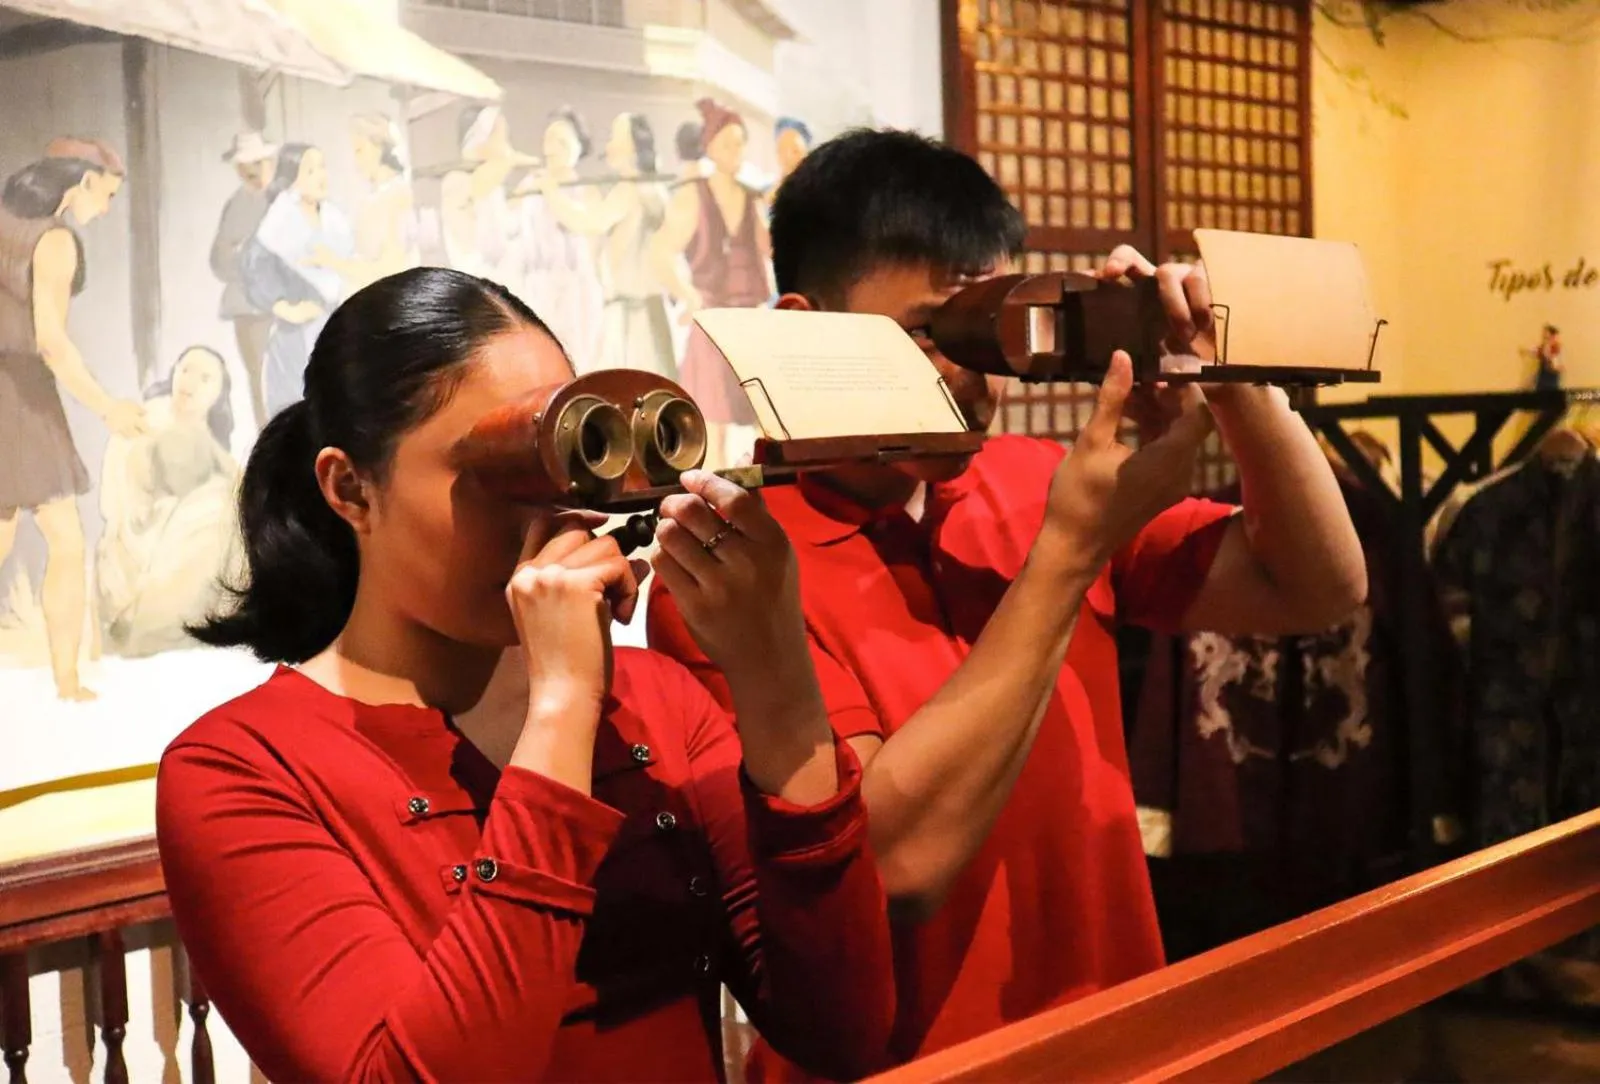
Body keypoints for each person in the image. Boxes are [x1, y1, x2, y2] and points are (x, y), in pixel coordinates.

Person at [646, 129, 1369, 1073]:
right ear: (801, 327)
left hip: (1118, 1042)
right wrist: (1069, 552)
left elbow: (1316, 584)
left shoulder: (1030, 483)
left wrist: (1222, 375)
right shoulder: (736, 565)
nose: (974, 369)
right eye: (931, 331)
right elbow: (891, 865)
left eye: (989, 323)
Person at [155, 267, 895, 1083]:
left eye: (567, 458)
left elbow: (840, 1029)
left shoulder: (655, 703)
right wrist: (564, 706)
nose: (548, 510)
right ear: (350, 488)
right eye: (500, 472)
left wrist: (775, 673)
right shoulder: (241, 771)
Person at [0, 138, 144, 701]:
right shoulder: (55, 240)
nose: (104, 210)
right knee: (64, 537)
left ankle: (68, 679)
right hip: (20, 394)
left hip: (15, 391)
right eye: (106, 196)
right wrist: (108, 407)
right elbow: (51, 343)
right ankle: (67, 682)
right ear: (82, 182)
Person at [651, 98, 769, 468]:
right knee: (713, 425)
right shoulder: (693, 195)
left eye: (740, 143)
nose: (736, 151)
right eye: (728, 143)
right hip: (712, 321)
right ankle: (715, 494)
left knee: (764, 417)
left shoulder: (752, 198)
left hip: (750, 320)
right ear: (711, 147)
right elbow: (660, 251)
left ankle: (767, 492)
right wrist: (687, 295)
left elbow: (770, 249)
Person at [239, 142, 353, 419]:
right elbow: (254, 268)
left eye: (322, 167)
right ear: (292, 177)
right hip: (296, 335)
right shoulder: (279, 220)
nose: (321, 176)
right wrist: (283, 306)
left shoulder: (334, 218)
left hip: (334, 324)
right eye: (310, 170)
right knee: (299, 405)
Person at [209, 131, 277, 430]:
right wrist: (245, 258)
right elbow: (219, 259)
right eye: (248, 168)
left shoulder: (284, 199)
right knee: (257, 377)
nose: (256, 173)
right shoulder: (235, 205)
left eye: (260, 164)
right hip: (247, 307)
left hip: (285, 305)